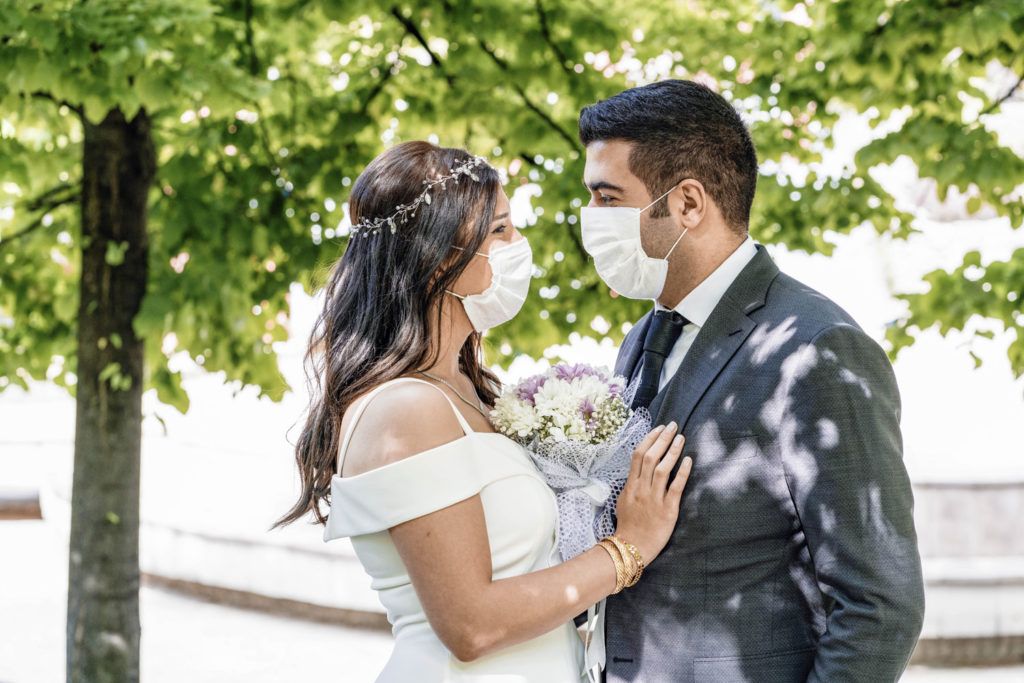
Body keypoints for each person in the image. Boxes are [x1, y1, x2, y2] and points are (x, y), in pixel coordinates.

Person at [274, 140, 693, 682]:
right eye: (499, 230)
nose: (519, 244)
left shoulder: (467, 390)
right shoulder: (407, 409)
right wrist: (629, 548)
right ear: (440, 259)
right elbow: (470, 627)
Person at [576, 79, 925, 682]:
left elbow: (880, 607)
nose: (590, 220)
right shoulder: (643, 336)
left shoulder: (817, 349)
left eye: (609, 199)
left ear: (688, 203)